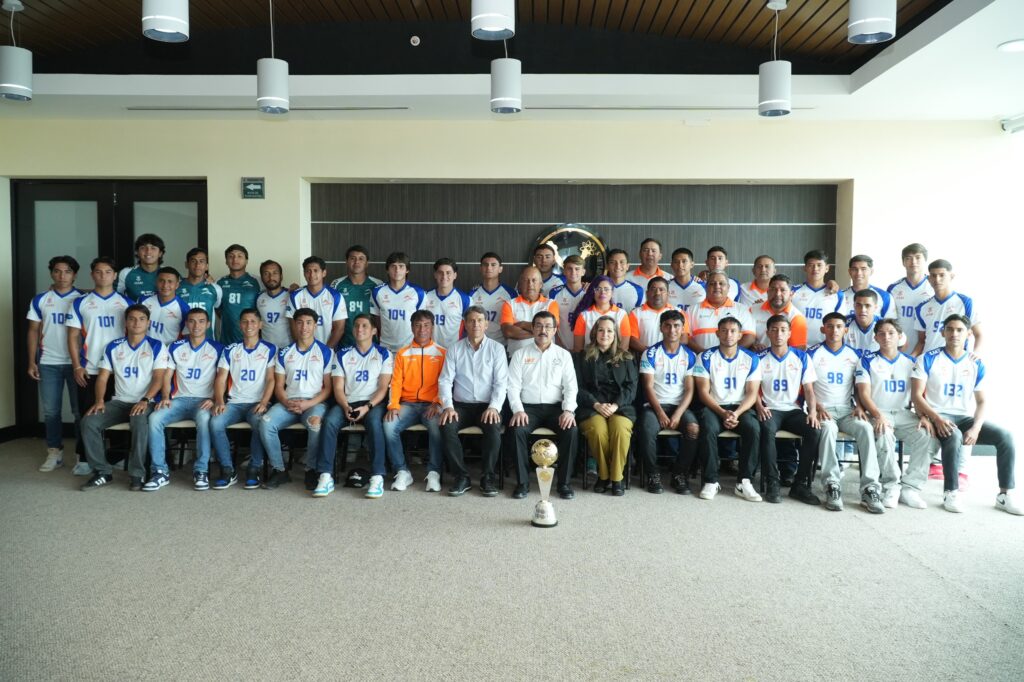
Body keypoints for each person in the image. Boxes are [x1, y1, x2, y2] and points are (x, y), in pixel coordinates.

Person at [911, 314, 1020, 515]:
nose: (954, 334)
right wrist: (936, 418)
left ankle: (1005, 495)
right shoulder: (927, 358)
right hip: (937, 415)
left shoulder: (975, 363)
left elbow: (982, 401)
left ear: (968, 334)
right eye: (950, 329)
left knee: (1005, 437)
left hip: (962, 417)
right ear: (943, 332)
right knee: (954, 436)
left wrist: (976, 428)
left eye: (959, 330)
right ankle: (951, 492)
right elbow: (917, 396)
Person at [78, 305, 167, 491]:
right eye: (132, 319)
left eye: (141, 319)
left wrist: (145, 400)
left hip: (146, 402)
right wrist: (99, 400)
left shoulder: (157, 346)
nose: (136, 323)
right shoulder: (113, 346)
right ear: (126, 322)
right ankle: (102, 472)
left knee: (139, 420)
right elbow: (102, 377)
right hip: (119, 401)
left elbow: (159, 378)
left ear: (148, 323)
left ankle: (137, 474)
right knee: (89, 422)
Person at [854, 318, 932, 510]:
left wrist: (923, 416)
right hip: (878, 412)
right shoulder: (867, 361)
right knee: (884, 433)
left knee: (927, 435)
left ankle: (910, 488)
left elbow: (919, 394)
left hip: (904, 414)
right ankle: (891, 486)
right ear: (875, 338)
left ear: (900, 337)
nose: (886, 337)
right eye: (881, 333)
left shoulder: (911, 362)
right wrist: (877, 415)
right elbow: (864, 393)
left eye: (891, 333)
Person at [143, 308, 224, 492]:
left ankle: (201, 470)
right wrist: (165, 397)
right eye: (192, 321)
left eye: (201, 321)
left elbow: (222, 378)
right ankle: (159, 472)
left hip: (204, 400)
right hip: (178, 400)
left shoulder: (218, 348)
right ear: (186, 324)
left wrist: (215, 398)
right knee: (154, 418)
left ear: (208, 324)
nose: (196, 325)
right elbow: (166, 375)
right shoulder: (175, 346)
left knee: (204, 418)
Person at [67, 256, 133, 475]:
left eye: (108, 272)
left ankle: (117, 456)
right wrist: (77, 366)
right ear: (92, 275)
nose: (103, 275)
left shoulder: (126, 303)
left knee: (118, 414)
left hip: (119, 370)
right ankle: (85, 458)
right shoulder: (81, 302)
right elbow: (73, 335)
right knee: (87, 415)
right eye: (98, 271)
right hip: (90, 368)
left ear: (115, 276)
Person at [808, 313, 879, 512]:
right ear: (823, 329)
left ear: (845, 330)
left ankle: (870, 487)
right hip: (823, 410)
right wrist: (817, 407)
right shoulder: (812, 353)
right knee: (828, 429)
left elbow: (859, 386)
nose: (834, 330)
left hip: (848, 410)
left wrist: (860, 406)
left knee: (865, 428)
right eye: (830, 326)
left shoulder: (855, 355)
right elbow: (807, 387)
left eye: (839, 326)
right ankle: (832, 484)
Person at [317, 314, 392, 499]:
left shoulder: (384, 354)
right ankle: (325, 475)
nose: (360, 329)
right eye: (357, 325)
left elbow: (383, 388)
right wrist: (345, 406)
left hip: (372, 403)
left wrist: (367, 407)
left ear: (374, 331)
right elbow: (338, 388)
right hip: (348, 401)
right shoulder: (342, 354)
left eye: (365, 326)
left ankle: (377, 476)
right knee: (329, 422)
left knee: (375, 424)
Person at [506, 311, 578, 500]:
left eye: (547, 326)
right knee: (516, 430)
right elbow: (512, 387)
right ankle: (522, 483)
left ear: (554, 330)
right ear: (532, 328)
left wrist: (568, 411)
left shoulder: (563, 355)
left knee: (571, 430)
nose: (543, 330)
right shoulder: (520, 354)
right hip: (528, 409)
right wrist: (518, 410)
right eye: (538, 325)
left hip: (556, 409)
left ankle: (564, 484)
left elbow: (571, 387)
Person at [259, 308, 333, 490]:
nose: (304, 327)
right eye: (299, 322)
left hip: (314, 402)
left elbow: (328, 388)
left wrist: (308, 403)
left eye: (308, 323)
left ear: (315, 326)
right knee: (266, 423)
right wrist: (286, 402)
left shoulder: (325, 352)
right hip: (289, 402)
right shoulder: (284, 352)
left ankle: (311, 469)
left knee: (315, 424)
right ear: (294, 325)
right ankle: (279, 470)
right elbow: (279, 386)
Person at [438, 306, 508, 497]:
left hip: (488, 405)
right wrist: (448, 407)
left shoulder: (497, 349)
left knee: (493, 426)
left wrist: (494, 407)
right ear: (465, 324)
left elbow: (501, 383)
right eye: (471, 320)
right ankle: (461, 476)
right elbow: (445, 380)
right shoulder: (455, 349)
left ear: (486, 324)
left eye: (480, 320)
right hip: (461, 406)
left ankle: (488, 477)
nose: (476, 324)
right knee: (446, 425)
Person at [692, 317, 762, 502]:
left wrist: (736, 413)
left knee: (753, 428)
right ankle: (711, 480)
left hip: (740, 407)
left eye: (733, 331)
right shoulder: (705, 357)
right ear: (717, 333)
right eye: (724, 330)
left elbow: (752, 393)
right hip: (715, 406)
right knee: (707, 428)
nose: (728, 335)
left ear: (740, 335)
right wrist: (723, 413)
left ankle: (744, 481)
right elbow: (703, 393)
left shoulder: (751, 358)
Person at [755, 315, 822, 505]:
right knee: (766, 429)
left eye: (783, 330)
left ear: (790, 333)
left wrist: (812, 412)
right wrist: (759, 406)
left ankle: (799, 485)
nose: (779, 334)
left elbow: (809, 390)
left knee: (814, 430)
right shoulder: (758, 358)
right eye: (774, 330)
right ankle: (772, 482)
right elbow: (752, 389)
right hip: (770, 409)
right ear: (768, 333)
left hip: (793, 410)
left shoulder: (801, 357)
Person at [27, 255, 84, 472]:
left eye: (67, 271)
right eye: (57, 271)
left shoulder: (82, 299)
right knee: (51, 412)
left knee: (79, 412)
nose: (62, 276)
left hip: (77, 364)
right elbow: (33, 331)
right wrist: (32, 361)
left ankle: (82, 454)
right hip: (48, 362)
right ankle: (54, 452)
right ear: (51, 273)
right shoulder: (40, 299)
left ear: (75, 275)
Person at [208, 308, 276, 491]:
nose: (249, 325)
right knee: (215, 422)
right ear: (240, 325)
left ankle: (254, 468)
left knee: (259, 422)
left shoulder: (270, 349)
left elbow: (271, 379)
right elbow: (221, 378)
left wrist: (264, 402)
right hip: (234, 402)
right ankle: (227, 470)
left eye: (253, 321)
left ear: (260, 325)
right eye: (245, 321)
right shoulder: (231, 349)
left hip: (257, 403)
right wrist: (219, 401)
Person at [382, 310, 446, 492]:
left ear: (432, 327)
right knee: (389, 426)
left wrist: (437, 402)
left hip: (431, 405)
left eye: (426, 325)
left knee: (437, 427)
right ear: (411, 327)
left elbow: (445, 382)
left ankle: (434, 472)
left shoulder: (442, 353)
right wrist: (393, 405)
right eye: (418, 325)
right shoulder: (402, 353)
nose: (422, 329)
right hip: (407, 404)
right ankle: (402, 471)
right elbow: (395, 382)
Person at [636, 310, 699, 494]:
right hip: (655, 406)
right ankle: (653, 474)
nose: (672, 330)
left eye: (676, 326)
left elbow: (689, 390)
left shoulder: (690, 355)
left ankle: (679, 474)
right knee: (646, 429)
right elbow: (648, 387)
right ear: (661, 328)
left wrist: (678, 414)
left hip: (679, 406)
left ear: (682, 329)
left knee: (693, 429)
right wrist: (660, 413)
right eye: (668, 326)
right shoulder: (650, 353)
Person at [574, 316, 637, 496]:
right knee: (598, 431)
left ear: (615, 334)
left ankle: (616, 478)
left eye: (609, 330)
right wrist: (595, 404)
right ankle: (604, 475)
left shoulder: (626, 358)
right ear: (595, 333)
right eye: (601, 330)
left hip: (620, 407)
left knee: (620, 430)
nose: (605, 334)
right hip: (591, 407)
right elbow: (577, 387)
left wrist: (615, 405)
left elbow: (631, 387)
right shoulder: (582, 357)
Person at [911, 259, 981, 356]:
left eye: (942, 275)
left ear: (951, 276)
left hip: (955, 360)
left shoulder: (965, 302)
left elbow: (979, 334)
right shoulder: (921, 307)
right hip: (929, 361)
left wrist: (975, 354)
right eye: (933, 275)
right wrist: (910, 358)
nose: (937, 279)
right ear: (929, 279)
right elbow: (921, 342)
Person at [286, 256, 347, 348]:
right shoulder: (295, 296)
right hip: (303, 350)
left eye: (315, 270)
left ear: (324, 273)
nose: (312, 275)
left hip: (327, 349)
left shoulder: (335, 296)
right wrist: (303, 350)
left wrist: (326, 351)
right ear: (304, 273)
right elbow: (293, 327)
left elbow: (339, 329)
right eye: (308, 271)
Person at [330, 245, 384, 349]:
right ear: (346, 262)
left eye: (361, 259)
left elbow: (382, 317)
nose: (356, 262)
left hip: (371, 346)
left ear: (367, 263)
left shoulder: (377, 285)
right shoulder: (336, 284)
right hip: (344, 344)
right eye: (352, 258)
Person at [688, 270, 755, 353]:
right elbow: (687, 337)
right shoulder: (691, 310)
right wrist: (705, 355)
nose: (717, 286)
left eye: (721, 283)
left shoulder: (742, 309)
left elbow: (749, 337)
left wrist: (730, 354)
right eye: (712, 283)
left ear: (728, 287)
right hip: (701, 358)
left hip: (733, 359)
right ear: (706, 287)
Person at [370, 251, 425, 351]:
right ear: (387, 270)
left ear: (407, 270)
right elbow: (377, 318)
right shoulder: (377, 291)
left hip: (410, 347)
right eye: (393, 266)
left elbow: (422, 320)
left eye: (401, 266)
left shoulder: (418, 292)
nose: (397, 270)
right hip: (385, 347)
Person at [501, 266, 560, 356]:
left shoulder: (551, 304)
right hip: (517, 358)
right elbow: (508, 332)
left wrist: (523, 324)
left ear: (541, 284)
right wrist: (541, 332)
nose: (530, 284)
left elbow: (551, 329)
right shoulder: (509, 304)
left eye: (534, 280)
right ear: (520, 284)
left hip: (545, 357)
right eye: (526, 280)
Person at [791, 249, 844, 347]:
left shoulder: (837, 294)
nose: (815, 269)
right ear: (805, 268)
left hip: (824, 348)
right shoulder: (793, 291)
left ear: (827, 268)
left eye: (819, 265)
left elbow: (841, 324)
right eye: (811, 265)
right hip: (796, 346)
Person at [886, 243, 933, 352]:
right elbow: (889, 322)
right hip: (901, 349)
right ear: (903, 262)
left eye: (918, 257)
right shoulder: (893, 288)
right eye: (908, 258)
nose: (913, 262)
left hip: (928, 349)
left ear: (925, 260)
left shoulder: (934, 286)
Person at [572, 275, 634, 352]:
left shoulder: (621, 314)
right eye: (598, 289)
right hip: (589, 358)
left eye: (606, 289)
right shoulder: (584, 315)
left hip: (615, 358)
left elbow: (624, 347)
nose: (602, 292)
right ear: (593, 292)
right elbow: (578, 348)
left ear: (612, 292)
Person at [748, 274, 807, 351]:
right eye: (773, 289)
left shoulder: (797, 317)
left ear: (791, 294)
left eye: (783, 290)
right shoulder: (752, 310)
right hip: (754, 356)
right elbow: (742, 338)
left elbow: (798, 351)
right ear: (767, 292)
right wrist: (752, 346)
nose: (777, 294)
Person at [216, 244, 261, 345]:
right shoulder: (219, 282)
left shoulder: (258, 281)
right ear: (226, 261)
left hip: (252, 341)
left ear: (246, 260)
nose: (235, 259)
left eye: (240, 256)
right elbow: (217, 309)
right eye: (231, 256)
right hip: (227, 340)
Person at [469, 252, 517, 347]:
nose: (489, 268)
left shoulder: (510, 293)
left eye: (493, 265)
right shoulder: (472, 293)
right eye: (485, 265)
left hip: (502, 345)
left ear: (500, 269)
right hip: (478, 345)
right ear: (480, 268)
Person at [422, 257, 471, 349]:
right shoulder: (426, 297)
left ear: (455, 275)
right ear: (435, 275)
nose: (444, 276)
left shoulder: (465, 299)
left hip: (454, 351)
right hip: (430, 350)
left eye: (448, 273)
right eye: (440, 273)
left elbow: (471, 327)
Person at [176, 247, 223, 339]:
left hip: (208, 342)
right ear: (186, 264)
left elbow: (218, 309)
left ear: (207, 266)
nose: (197, 265)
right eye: (193, 261)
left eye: (202, 261)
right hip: (181, 342)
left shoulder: (215, 288)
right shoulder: (176, 287)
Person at [629, 276, 685, 352]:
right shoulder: (636, 313)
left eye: (661, 290)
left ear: (668, 294)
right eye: (653, 289)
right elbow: (632, 339)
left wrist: (666, 353)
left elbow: (684, 338)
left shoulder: (678, 311)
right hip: (644, 355)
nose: (657, 293)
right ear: (647, 293)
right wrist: (651, 354)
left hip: (672, 357)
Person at [139, 266, 190, 345]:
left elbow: (186, 336)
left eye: (170, 281)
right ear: (156, 282)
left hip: (168, 350)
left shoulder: (184, 308)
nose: (165, 285)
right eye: (161, 281)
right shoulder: (143, 301)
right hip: (144, 349)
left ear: (177, 285)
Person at [549, 255, 588, 349]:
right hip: (561, 347)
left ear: (583, 272)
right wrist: (559, 345)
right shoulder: (554, 293)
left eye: (577, 269)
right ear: (564, 271)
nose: (573, 272)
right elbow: (550, 323)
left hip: (587, 349)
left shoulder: (590, 293)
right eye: (569, 269)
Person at [117, 233, 164, 301]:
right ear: (137, 252)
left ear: (160, 253)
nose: (148, 251)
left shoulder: (170, 274)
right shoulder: (125, 273)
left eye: (153, 248)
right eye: (143, 248)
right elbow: (114, 298)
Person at [256, 259, 291, 350]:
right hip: (266, 349)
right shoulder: (258, 298)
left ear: (281, 276)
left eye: (275, 273)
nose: (271, 277)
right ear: (261, 277)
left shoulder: (291, 296)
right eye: (266, 274)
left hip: (288, 348)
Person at [666, 247, 706, 314]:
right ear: (671, 265)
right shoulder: (665, 286)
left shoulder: (704, 286)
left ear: (692, 264)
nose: (680, 265)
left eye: (684, 261)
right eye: (676, 262)